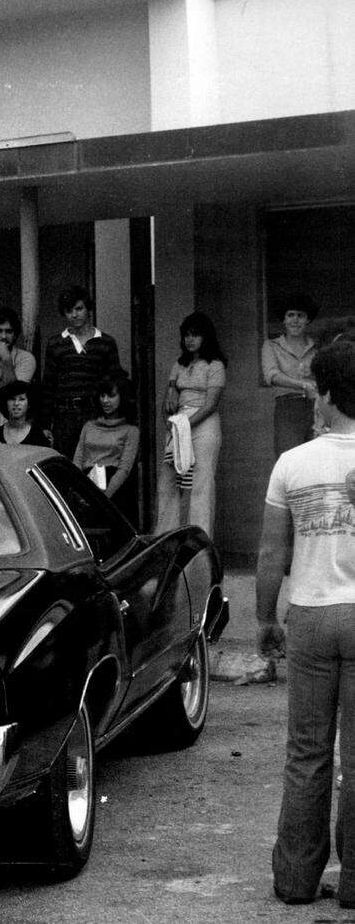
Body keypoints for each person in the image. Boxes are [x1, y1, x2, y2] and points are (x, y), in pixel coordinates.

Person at [256, 340, 355, 907]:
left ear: (332, 395)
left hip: (312, 617)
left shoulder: (292, 463)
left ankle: (295, 880)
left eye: (315, 388)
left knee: (308, 753)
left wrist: (266, 618)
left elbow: (271, 556)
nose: (311, 398)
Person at [155, 312, 227, 538]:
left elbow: (211, 404)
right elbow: (169, 396)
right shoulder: (180, 364)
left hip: (203, 424)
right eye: (186, 335)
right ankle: (165, 538)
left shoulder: (215, 365)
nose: (190, 339)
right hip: (178, 422)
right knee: (168, 481)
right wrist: (170, 414)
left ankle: (200, 543)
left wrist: (185, 424)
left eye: (195, 335)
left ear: (206, 337)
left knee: (200, 483)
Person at [42, 286, 123, 456]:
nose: (74, 314)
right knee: (66, 466)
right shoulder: (55, 343)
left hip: (94, 413)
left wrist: (114, 420)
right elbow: (48, 386)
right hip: (64, 415)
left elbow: (114, 384)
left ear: (88, 309)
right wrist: (44, 424)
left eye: (79, 309)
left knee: (97, 466)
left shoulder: (106, 342)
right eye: (69, 310)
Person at [73, 374, 141, 524]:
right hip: (86, 483)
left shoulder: (131, 431)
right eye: (102, 396)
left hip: (115, 489)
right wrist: (81, 491)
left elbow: (124, 469)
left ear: (122, 397)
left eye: (111, 396)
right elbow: (77, 460)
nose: (105, 400)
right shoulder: (89, 426)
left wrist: (103, 498)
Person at [263, 294, 319, 457]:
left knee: (315, 459)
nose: (295, 320)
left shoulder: (316, 347)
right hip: (287, 408)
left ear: (308, 319)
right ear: (284, 319)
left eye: (300, 315)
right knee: (288, 458)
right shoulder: (271, 345)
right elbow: (272, 375)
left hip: (315, 407)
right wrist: (301, 384)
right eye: (290, 315)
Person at [0, 307, 36, 424]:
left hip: (13, 425)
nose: (3, 336)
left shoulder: (26, 358)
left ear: (15, 335)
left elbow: (14, 392)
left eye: (9, 331)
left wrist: (6, 358)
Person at [0, 381, 50, 447]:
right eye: (12, 399)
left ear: (29, 404)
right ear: (5, 403)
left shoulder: (37, 435)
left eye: (21, 399)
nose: (16, 403)